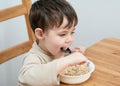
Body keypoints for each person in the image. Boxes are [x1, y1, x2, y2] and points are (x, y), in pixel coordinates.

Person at [18, 0, 88, 86]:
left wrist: (73, 54)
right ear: (40, 34)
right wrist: (68, 60)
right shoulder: (34, 57)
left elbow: (64, 58)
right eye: (63, 34)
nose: (70, 39)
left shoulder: (58, 49)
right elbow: (26, 77)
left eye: (72, 32)